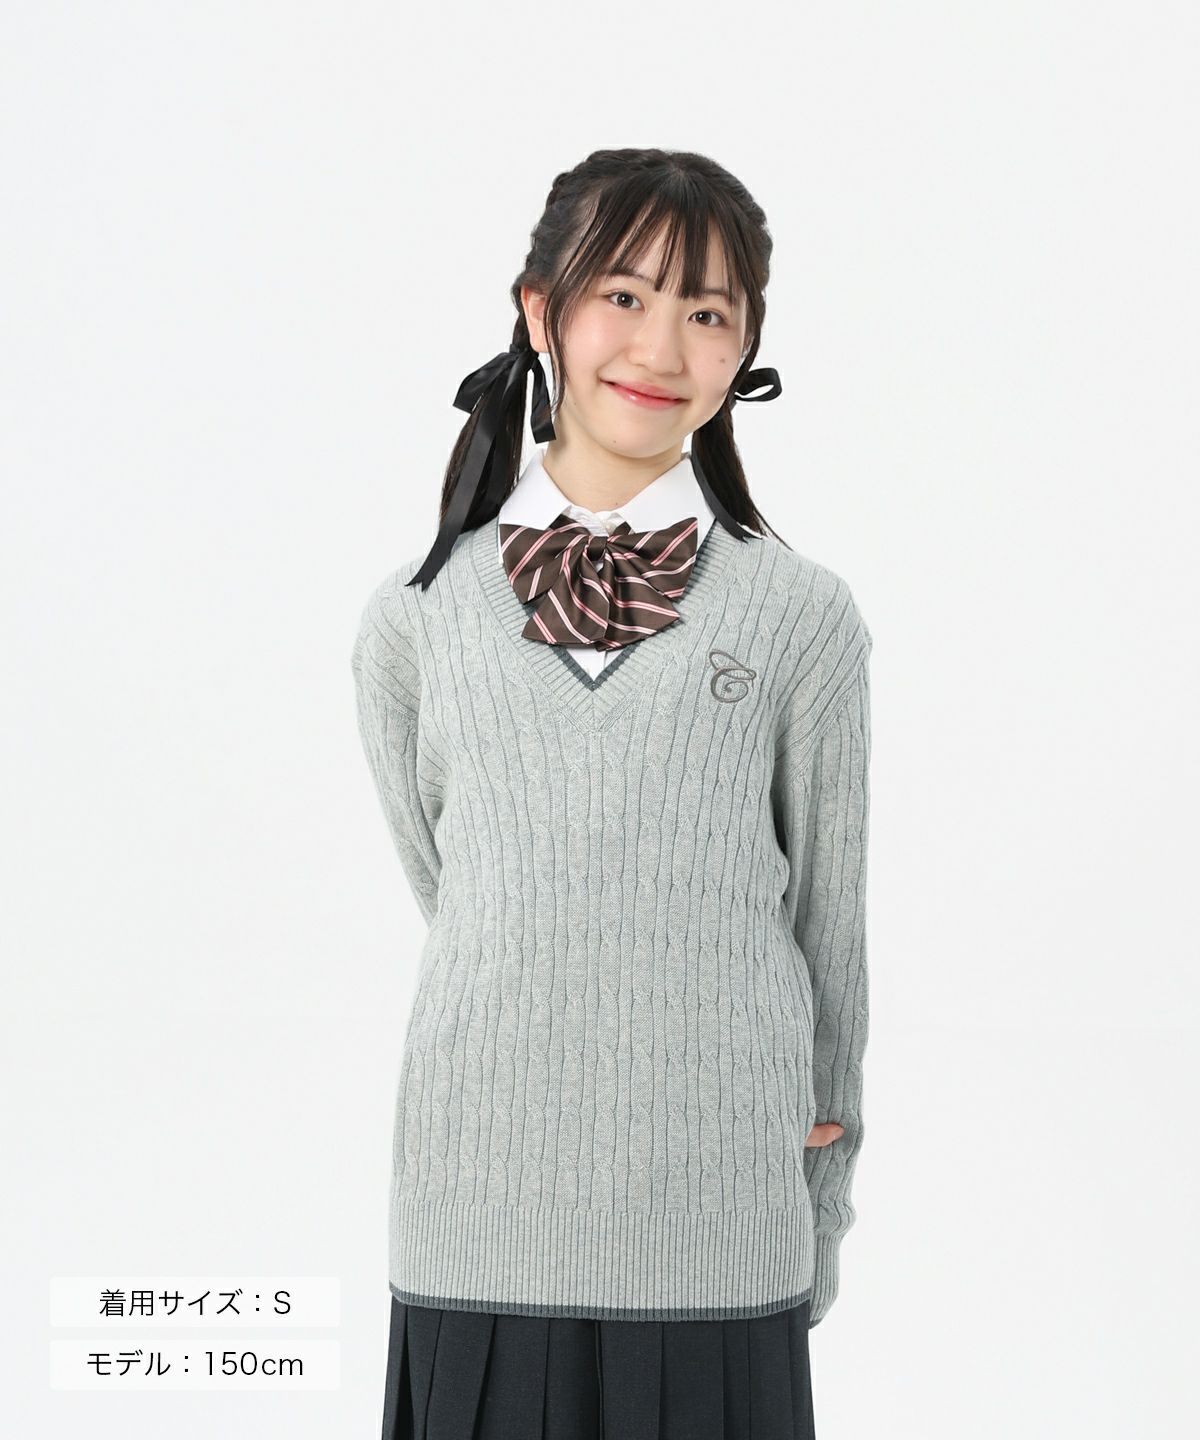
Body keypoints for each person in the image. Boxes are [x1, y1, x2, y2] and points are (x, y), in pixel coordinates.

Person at [352, 146, 874, 1440]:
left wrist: (822, 1197)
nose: (661, 346)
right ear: (541, 312)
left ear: (745, 347)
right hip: (478, 1213)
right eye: (624, 296)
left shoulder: (801, 618)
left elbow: (830, 932)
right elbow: (461, 896)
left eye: (707, 311)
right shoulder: (418, 618)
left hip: (719, 1214)